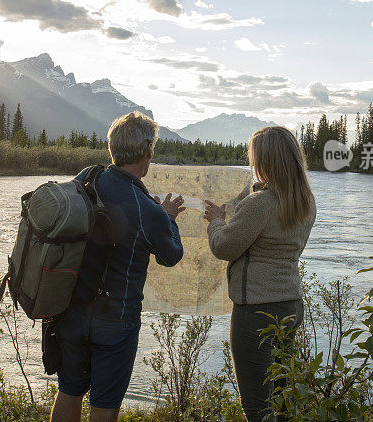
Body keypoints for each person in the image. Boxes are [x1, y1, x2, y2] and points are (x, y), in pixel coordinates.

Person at [50, 111, 185, 422]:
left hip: (72, 312)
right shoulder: (148, 209)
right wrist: (167, 217)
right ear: (148, 150)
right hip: (117, 322)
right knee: (104, 407)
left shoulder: (86, 178)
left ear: (113, 148)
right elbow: (171, 255)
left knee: (68, 391)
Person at [203, 126, 316, 422]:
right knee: (283, 400)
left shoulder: (260, 205)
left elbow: (224, 247)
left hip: (255, 312)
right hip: (291, 305)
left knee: (256, 406)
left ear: (264, 162)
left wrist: (216, 221)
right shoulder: (304, 201)